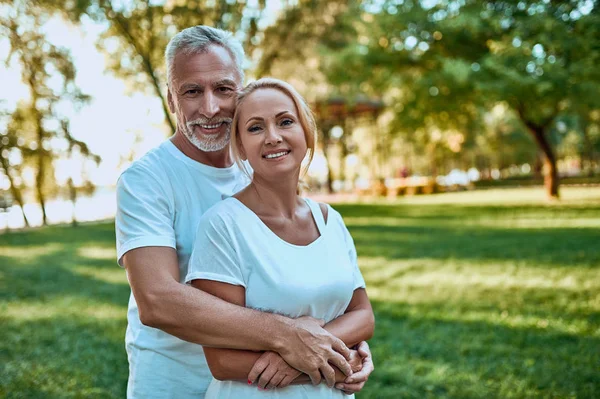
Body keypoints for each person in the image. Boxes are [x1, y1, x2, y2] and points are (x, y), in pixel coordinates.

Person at [115, 25, 374, 398]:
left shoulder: (262, 165)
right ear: (171, 99)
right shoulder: (146, 179)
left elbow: (320, 286)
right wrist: (295, 339)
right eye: (192, 91)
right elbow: (157, 300)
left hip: (267, 381)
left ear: (243, 90)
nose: (210, 107)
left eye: (223, 89)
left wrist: (336, 347)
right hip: (175, 382)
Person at [185, 78, 375, 398]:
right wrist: (338, 361)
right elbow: (220, 359)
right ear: (241, 147)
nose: (273, 137)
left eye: (285, 122)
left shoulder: (330, 220)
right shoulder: (222, 225)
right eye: (256, 128)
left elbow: (363, 314)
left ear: (306, 133)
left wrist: (313, 348)